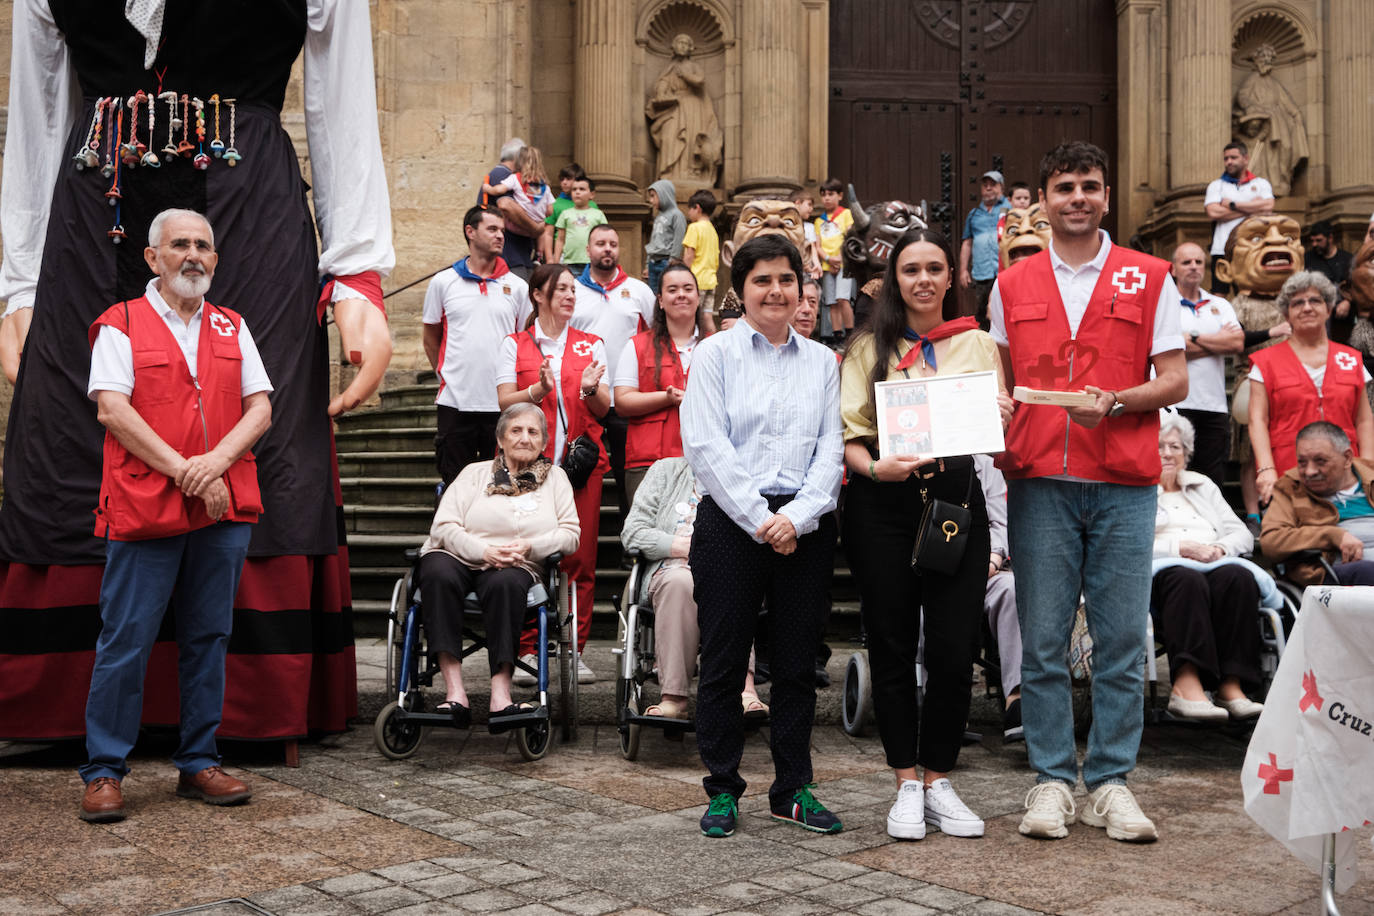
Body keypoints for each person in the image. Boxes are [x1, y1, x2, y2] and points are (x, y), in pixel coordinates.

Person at [0, 2, 393, 744]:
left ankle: (235, 711)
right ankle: (79, 711)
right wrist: (19, 281)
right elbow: (39, 104)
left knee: (257, 437)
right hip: (95, 216)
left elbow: (341, 91)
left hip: (250, 209)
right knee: (76, 445)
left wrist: (356, 272)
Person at [990, 140, 1188, 843]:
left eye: (1090, 186)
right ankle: (1050, 779)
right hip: (1040, 477)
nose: (1078, 197)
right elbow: (1000, 379)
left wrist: (1119, 402)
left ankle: (1109, 782)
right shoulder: (1011, 284)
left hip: (1124, 480)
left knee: (1121, 640)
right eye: (1065, 186)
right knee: (1042, 640)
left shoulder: (1149, 275)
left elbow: (1175, 380)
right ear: (1042, 200)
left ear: (1107, 196)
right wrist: (992, 413)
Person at [79, 209, 272, 823]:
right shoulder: (121, 324)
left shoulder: (231, 325)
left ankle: (198, 762)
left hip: (225, 502)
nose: (194, 255)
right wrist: (188, 472)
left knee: (209, 637)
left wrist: (214, 463)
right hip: (144, 505)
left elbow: (260, 409)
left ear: (215, 259)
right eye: (180, 244)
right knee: (126, 640)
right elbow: (113, 410)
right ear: (152, 257)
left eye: (204, 246)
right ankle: (104, 771)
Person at [840, 227, 1014, 841]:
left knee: (950, 648)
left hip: (953, 502)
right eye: (910, 269)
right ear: (895, 279)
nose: (923, 280)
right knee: (890, 645)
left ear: (951, 277)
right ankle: (905, 782)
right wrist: (873, 468)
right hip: (882, 503)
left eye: (934, 268)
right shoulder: (867, 347)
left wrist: (1000, 415)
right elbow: (851, 435)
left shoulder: (976, 343)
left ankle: (940, 777)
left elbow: (992, 431)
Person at [681, 234, 844, 839]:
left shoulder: (823, 361)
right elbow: (704, 443)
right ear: (741, 288)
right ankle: (723, 788)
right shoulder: (716, 356)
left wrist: (796, 518)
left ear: (804, 288)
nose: (776, 291)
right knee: (724, 661)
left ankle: (792, 788)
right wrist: (760, 518)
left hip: (805, 526)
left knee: (799, 663)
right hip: (731, 521)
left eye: (787, 280)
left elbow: (832, 449)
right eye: (762, 280)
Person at [417, 403, 580, 725]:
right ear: (500, 439)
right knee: (435, 573)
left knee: (506, 584)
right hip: (459, 554)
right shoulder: (473, 474)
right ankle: (455, 694)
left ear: (544, 442)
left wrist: (532, 546)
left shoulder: (557, 479)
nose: (524, 438)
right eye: (516, 430)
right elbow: (444, 527)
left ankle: (500, 694)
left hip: (518, 563)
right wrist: (483, 551)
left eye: (533, 432)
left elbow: (571, 534)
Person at [497, 264, 610, 684]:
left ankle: (573, 650)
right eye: (561, 288)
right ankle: (528, 648)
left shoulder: (592, 344)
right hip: (527, 466)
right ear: (538, 295)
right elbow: (503, 402)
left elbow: (604, 407)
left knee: (580, 558)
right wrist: (537, 391)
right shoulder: (515, 344)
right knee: (527, 554)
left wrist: (588, 389)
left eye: (572, 290)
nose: (569, 295)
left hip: (580, 470)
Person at [620, 456, 767, 720]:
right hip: (670, 570)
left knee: (733, 582)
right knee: (681, 581)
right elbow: (633, 531)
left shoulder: (746, 474)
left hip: (725, 570)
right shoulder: (665, 471)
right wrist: (681, 547)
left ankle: (744, 690)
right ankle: (674, 698)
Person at [1151, 413, 1266, 723]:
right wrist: (1181, 549)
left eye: (1175, 446)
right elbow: (1128, 540)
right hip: (1162, 572)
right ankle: (1185, 685)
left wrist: (1219, 548)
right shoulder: (1137, 489)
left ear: (1186, 453)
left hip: (1212, 563)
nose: (1167, 453)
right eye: (1159, 445)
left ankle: (1231, 686)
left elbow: (1240, 532)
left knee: (1238, 578)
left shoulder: (1203, 485)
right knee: (1186, 579)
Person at [423, 207, 532, 485]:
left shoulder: (517, 287)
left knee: (503, 485)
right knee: (456, 485)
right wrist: (446, 375)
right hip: (456, 403)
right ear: (470, 232)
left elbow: (525, 342)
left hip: (501, 404)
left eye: (502, 231)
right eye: (492, 229)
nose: (500, 236)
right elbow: (431, 335)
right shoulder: (443, 282)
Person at [1249, 271, 1374, 506]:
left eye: (1315, 301)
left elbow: (1365, 421)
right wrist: (1265, 469)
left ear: (1328, 309)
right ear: (1287, 314)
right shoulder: (1265, 362)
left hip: (1348, 473)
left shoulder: (1351, 359)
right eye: (1298, 303)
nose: (1307, 308)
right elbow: (1258, 421)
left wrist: (1368, 468)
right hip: (1290, 471)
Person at [571, 225, 657, 520]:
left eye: (612, 244)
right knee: (576, 468)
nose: (607, 249)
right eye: (600, 243)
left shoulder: (640, 291)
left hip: (625, 397)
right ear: (588, 250)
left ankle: (632, 539)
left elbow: (655, 340)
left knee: (627, 472)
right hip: (583, 395)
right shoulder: (573, 291)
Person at [613, 263, 700, 506]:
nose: (681, 294)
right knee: (646, 539)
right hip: (647, 461)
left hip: (703, 463)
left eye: (687, 288)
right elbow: (622, 401)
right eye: (672, 290)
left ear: (698, 297)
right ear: (660, 300)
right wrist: (667, 397)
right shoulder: (637, 345)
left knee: (696, 540)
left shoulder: (717, 347)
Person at [1261, 420, 1374, 586]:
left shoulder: (1370, 477)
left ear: (1347, 458)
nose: (1309, 471)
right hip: (1333, 574)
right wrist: (1331, 535)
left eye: (1320, 461)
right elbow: (1271, 542)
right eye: (1302, 462)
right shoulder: (1289, 488)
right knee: (1366, 571)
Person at [1170, 242, 1243, 488]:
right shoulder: (1165, 304)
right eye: (1186, 262)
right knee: (1176, 473)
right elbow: (1170, 349)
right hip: (1176, 403)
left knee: (1212, 479)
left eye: (1199, 262)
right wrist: (1216, 342)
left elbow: (1236, 343)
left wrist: (1193, 339)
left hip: (1214, 405)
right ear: (1173, 269)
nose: (1193, 267)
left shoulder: (1220, 305)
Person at [976, 453, 1023, 743]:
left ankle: (1017, 698)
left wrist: (993, 560)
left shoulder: (985, 462)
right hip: (935, 567)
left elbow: (1000, 522)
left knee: (1013, 589)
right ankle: (938, 700)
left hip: (986, 568)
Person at [1203, 142, 1274, 294]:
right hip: (1221, 248)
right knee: (1219, 294)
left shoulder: (1261, 184)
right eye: (1226, 158)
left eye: (1233, 157)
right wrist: (1251, 208)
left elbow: (1268, 206)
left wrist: (1232, 205)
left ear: (1245, 158)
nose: (1229, 162)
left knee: (1249, 294)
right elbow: (1213, 212)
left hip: (1252, 248)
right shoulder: (1216, 186)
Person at [477, 137, 542, 280]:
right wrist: (536, 229)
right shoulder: (501, 174)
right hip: (509, 256)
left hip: (519, 255)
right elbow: (506, 205)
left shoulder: (515, 177)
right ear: (519, 158)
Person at [482, 146, 555, 261]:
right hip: (536, 229)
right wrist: (538, 214)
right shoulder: (544, 187)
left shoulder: (515, 178)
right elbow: (550, 210)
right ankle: (538, 256)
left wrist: (488, 188)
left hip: (520, 227)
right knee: (542, 229)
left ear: (518, 162)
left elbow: (499, 190)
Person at [960, 170, 1010, 328]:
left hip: (1005, 270)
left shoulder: (1010, 210)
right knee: (982, 314)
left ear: (1001, 187)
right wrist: (963, 270)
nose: (988, 188)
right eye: (985, 185)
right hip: (982, 273)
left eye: (993, 185)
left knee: (1006, 311)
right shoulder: (974, 214)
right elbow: (967, 243)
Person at [815, 178, 855, 342]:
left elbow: (850, 237)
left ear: (840, 195)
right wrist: (829, 259)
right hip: (827, 265)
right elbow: (817, 245)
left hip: (844, 263)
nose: (826, 198)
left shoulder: (845, 214)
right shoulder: (819, 221)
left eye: (831, 194)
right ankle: (837, 335)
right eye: (823, 195)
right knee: (832, 302)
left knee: (842, 298)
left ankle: (851, 334)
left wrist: (839, 258)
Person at [543, 163, 600, 265]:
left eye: (568, 179)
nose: (564, 182)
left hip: (588, 256)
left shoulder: (592, 206)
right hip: (564, 256)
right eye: (562, 179)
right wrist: (550, 259)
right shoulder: (555, 204)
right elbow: (548, 233)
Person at [552, 176, 607, 274]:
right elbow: (560, 239)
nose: (577, 192)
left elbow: (603, 238)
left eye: (582, 189)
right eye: (574, 189)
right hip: (570, 262)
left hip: (592, 262)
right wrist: (556, 261)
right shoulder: (565, 214)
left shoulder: (598, 214)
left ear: (592, 194)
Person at [682, 190, 721, 320]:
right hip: (710, 281)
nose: (689, 213)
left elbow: (689, 255)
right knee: (707, 317)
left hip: (696, 281)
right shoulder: (713, 230)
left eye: (690, 209)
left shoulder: (694, 228)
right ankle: (712, 339)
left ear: (697, 208)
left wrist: (683, 275)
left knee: (692, 318)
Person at [646, 179, 686, 295]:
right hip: (653, 262)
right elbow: (653, 241)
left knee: (667, 293)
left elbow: (679, 239)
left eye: (653, 196)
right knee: (654, 296)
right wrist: (647, 263)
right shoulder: (658, 216)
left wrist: (673, 260)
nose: (651, 200)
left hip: (666, 262)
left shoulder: (677, 215)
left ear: (664, 194)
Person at [1305, 220, 1353, 289]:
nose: (1314, 244)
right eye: (1312, 241)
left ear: (1330, 238)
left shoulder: (1347, 259)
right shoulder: (1307, 259)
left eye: (1318, 240)